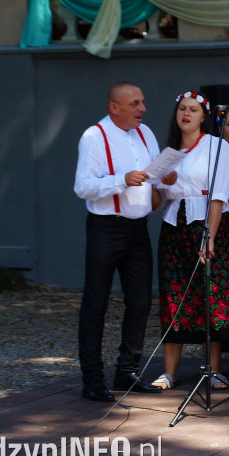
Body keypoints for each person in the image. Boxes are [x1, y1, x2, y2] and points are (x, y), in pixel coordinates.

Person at [73, 82, 163, 401]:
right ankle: (92, 379)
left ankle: (127, 372)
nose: (143, 108)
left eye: (142, 101)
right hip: (105, 228)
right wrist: (121, 181)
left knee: (140, 301)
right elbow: (83, 187)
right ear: (115, 107)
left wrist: (166, 179)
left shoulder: (145, 133)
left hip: (138, 229)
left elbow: (155, 175)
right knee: (95, 303)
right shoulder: (94, 136)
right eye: (135, 103)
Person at [151, 91, 229, 390]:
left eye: (193, 109)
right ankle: (169, 372)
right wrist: (159, 184)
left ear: (204, 116)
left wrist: (210, 235)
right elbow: (156, 202)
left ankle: (214, 370)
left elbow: (219, 194)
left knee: (210, 294)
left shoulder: (216, 146)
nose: (186, 114)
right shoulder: (169, 152)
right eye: (182, 108)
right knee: (173, 294)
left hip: (206, 224)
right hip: (174, 226)